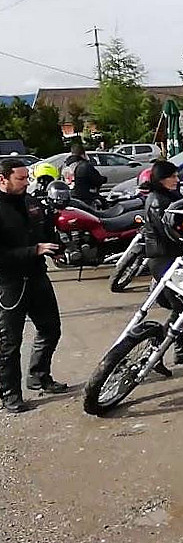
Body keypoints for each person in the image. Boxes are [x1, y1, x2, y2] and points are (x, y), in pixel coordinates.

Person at [0, 159, 65, 413]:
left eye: (28, 178)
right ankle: (10, 394)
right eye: (20, 179)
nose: (26, 183)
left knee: (51, 328)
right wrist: (34, 250)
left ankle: (39, 375)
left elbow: (45, 230)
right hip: (9, 282)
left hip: (37, 276)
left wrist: (55, 248)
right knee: (9, 342)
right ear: (3, 179)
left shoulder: (31, 202)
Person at [142, 160, 183, 365]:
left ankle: (182, 350)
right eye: (172, 176)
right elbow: (171, 232)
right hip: (164, 259)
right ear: (161, 179)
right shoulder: (158, 201)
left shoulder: (168, 196)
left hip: (172, 257)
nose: (177, 179)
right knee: (181, 307)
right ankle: (154, 353)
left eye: (177, 175)